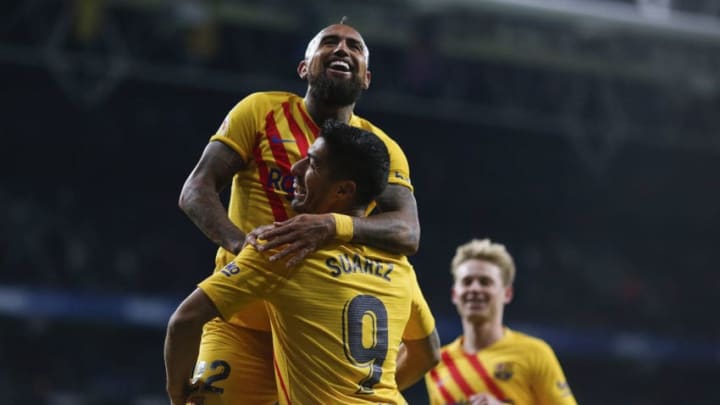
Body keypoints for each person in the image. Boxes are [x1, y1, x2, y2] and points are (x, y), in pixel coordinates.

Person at [177, 21, 420, 404]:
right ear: (304, 67)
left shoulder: (376, 150)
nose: (342, 49)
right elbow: (196, 190)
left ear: (367, 78)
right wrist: (241, 245)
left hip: (318, 335)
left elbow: (407, 232)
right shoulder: (260, 111)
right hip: (242, 324)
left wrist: (329, 225)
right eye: (329, 42)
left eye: (354, 47)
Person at [166, 122, 440, 405]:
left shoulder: (285, 250)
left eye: (313, 164)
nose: (295, 169)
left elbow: (184, 321)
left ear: (344, 190)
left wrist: (178, 395)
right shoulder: (399, 266)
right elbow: (428, 354)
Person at [425, 239, 577, 405]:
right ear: (455, 294)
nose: (475, 289)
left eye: (485, 282)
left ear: (507, 293)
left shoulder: (534, 353)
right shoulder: (437, 363)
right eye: (467, 281)